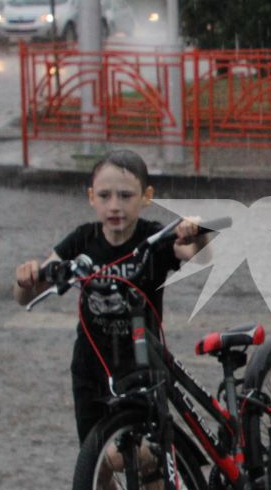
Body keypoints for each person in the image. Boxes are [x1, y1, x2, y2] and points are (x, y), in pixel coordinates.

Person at [12, 149, 208, 443]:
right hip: (90, 365)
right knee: (95, 460)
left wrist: (196, 232)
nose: (114, 206)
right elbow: (25, 296)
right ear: (91, 197)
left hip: (141, 363)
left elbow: (196, 254)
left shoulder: (152, 239)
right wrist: (26, 278)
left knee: (145, 459)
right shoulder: (82, 240)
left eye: (126, 196)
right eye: (104, 196)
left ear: (146, 196)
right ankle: (103, 488)